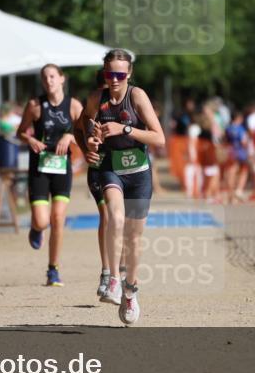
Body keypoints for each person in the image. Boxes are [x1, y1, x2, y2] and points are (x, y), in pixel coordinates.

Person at [81, 49, 165, 326]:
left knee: (133, 238)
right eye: (109, 74)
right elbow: (85, 123)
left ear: (129, 73)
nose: (114, 79)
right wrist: (90, 143)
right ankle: (114, 280)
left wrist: (124, 129)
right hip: (111, 168)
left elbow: (159, 138)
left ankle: (131, 290)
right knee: (114, 218)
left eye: (119, 74)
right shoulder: (97, 98)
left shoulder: (137, 96)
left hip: (138, 174)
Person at [16, 64, 82, 287]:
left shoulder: (74, 106)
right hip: (40, 167)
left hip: (62, 168)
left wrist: (69, 137)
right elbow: (20, 132)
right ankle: (36, 228)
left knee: (58, 218)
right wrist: (31, 140)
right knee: (42, 221)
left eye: (53, 76)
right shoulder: (35, 106)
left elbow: (86, 133)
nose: (49, 81)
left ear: (62, 79)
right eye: (45, 78)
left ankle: (53, 269)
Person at [74, 69, 126, 299]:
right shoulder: (92, 107)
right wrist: (86, 150)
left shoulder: (125, 103)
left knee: (122, 218)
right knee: (107, 216)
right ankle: (107, 272)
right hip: (99, 169)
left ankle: (120, 270)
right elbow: (78, 130)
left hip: (122, 169)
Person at [223, 108, 250, 203]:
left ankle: (230, 194)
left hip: (230, 151)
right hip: (240, 151)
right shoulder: (241, 129)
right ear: (238, 118)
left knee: (231, 171)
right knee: (244, 170)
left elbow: (225, 140)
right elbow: (244, 141)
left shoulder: (228, 128)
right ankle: (239, 190)